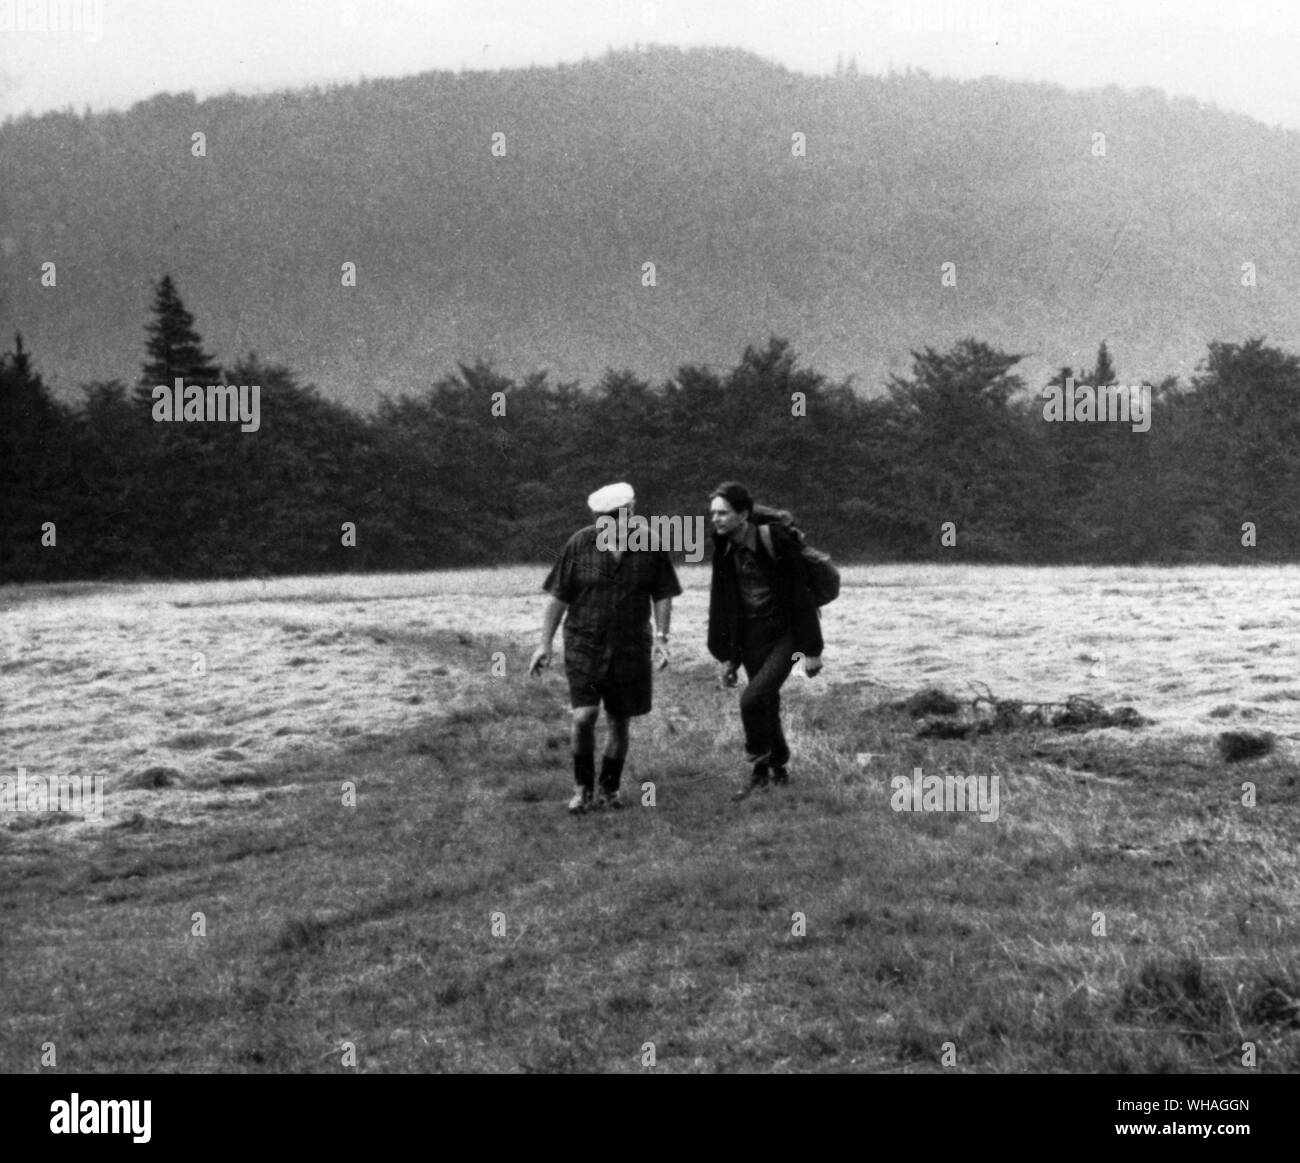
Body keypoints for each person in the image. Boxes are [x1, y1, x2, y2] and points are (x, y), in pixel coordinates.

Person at [529, 482, 682, 814]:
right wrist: (544, 644)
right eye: (600, 517)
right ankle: (582, 789)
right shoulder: (580, 544)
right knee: (584, 716)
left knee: (619, 720)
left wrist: (662, 638)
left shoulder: (651, 546)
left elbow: (663, 594)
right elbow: (558, 597)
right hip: (586, 646)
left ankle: (608, 789)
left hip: (629, 649)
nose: (604, 523)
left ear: (629, 512)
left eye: (612, 517)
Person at [707, 481, 823, 799]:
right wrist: (725, 655)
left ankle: (758, 771)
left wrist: (812, 651)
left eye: (723, 513)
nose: (715, 519)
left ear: (743, 514)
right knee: (767, 701)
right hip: (751, 635)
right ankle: (779, 770)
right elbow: (721, 602)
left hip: (786, 634)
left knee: (752, 699)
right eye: (713, 513)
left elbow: (801, 595)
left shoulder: (775, 541)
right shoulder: (722, 546)